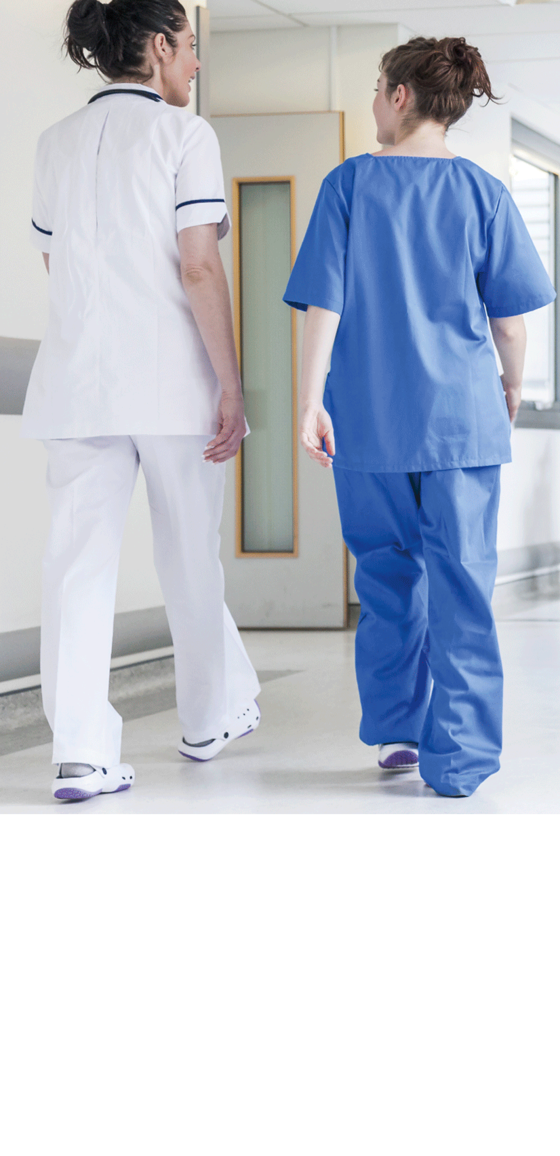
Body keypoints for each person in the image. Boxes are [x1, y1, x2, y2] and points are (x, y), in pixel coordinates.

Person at [284, 36, 554, 799]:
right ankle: (459, 760)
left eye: (377, 89)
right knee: (462, 584)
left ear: (401, 95)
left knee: (387, 577)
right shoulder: (483, 192)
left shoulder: (348, 185)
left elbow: (324, 304)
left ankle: (400, 730)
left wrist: (311, 402)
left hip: (368, 420)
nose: (373, 101)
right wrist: (510, 387)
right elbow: (510, 320)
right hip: (461, 421)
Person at [25, 0, 261, 802]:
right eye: (191, 47)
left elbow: (59, 269)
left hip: (76, 385)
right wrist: (230, 382)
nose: (195, 64)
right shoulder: (183, 135)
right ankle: (208, 718)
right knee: (190, 553)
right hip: (169, 381)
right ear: (159, 46)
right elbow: (199, 265)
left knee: (75, 569)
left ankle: (81, 755)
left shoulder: (53, 143)